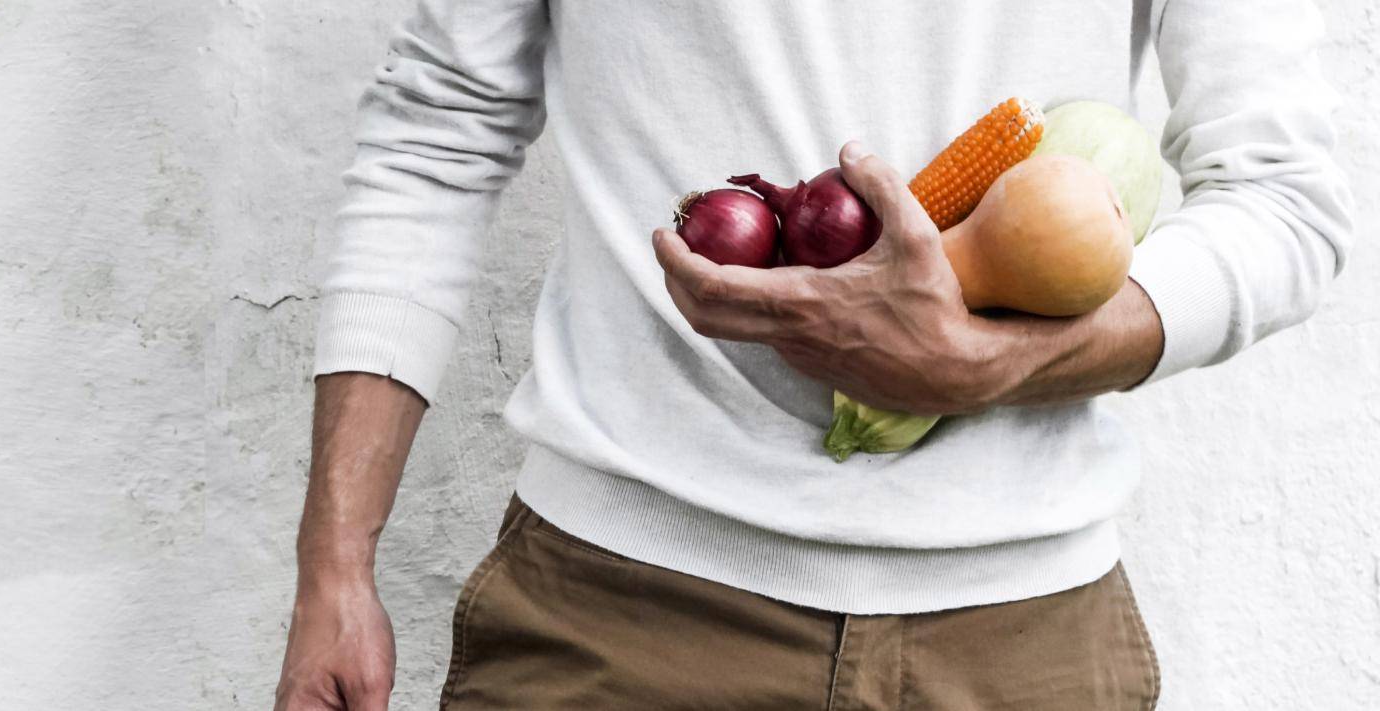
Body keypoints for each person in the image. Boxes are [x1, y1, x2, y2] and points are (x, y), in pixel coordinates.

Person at [274, 1, 1354, 709]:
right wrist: (333, 565)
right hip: (621, 621)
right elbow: (437, 131)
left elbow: (1284, 202)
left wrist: (999, 362)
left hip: (1022, 647)